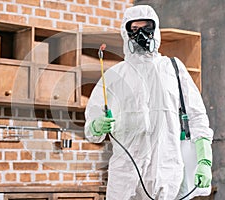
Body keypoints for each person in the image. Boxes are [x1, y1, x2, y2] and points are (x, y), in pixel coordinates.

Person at [84, 5, 213, 200]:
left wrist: (204, 161)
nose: (141, 35)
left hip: (167, 173)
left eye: (147, 29)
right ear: (126, 34)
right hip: (125, 178)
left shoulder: (173, 69)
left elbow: (197, 117)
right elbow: (92, 131)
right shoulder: (113, 77)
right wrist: (96, 126)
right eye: (134, 30)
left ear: (156, 31)